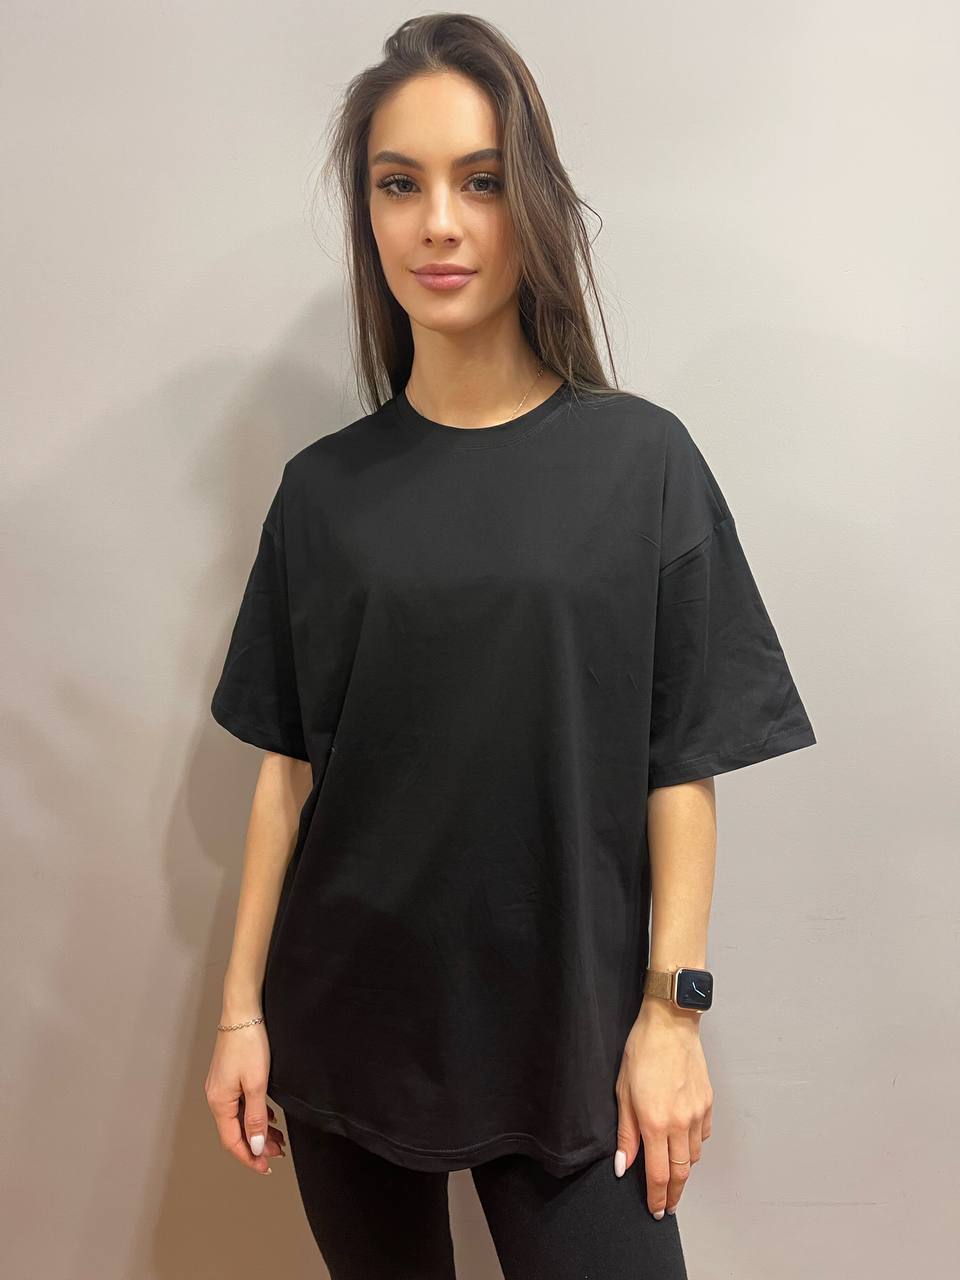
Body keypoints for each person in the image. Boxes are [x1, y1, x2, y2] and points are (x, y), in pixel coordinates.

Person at [203, 13, 817, 1279]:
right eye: (400, 184)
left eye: (479, 181)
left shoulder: (642, 462)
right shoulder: (322, 493)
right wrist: (239, 1011)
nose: (439, 223)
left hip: (568, 1036)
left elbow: (680, 758)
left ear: (529, 201)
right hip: (347, 1026)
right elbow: (289, 769)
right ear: (368, 214)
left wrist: (672, 1015)